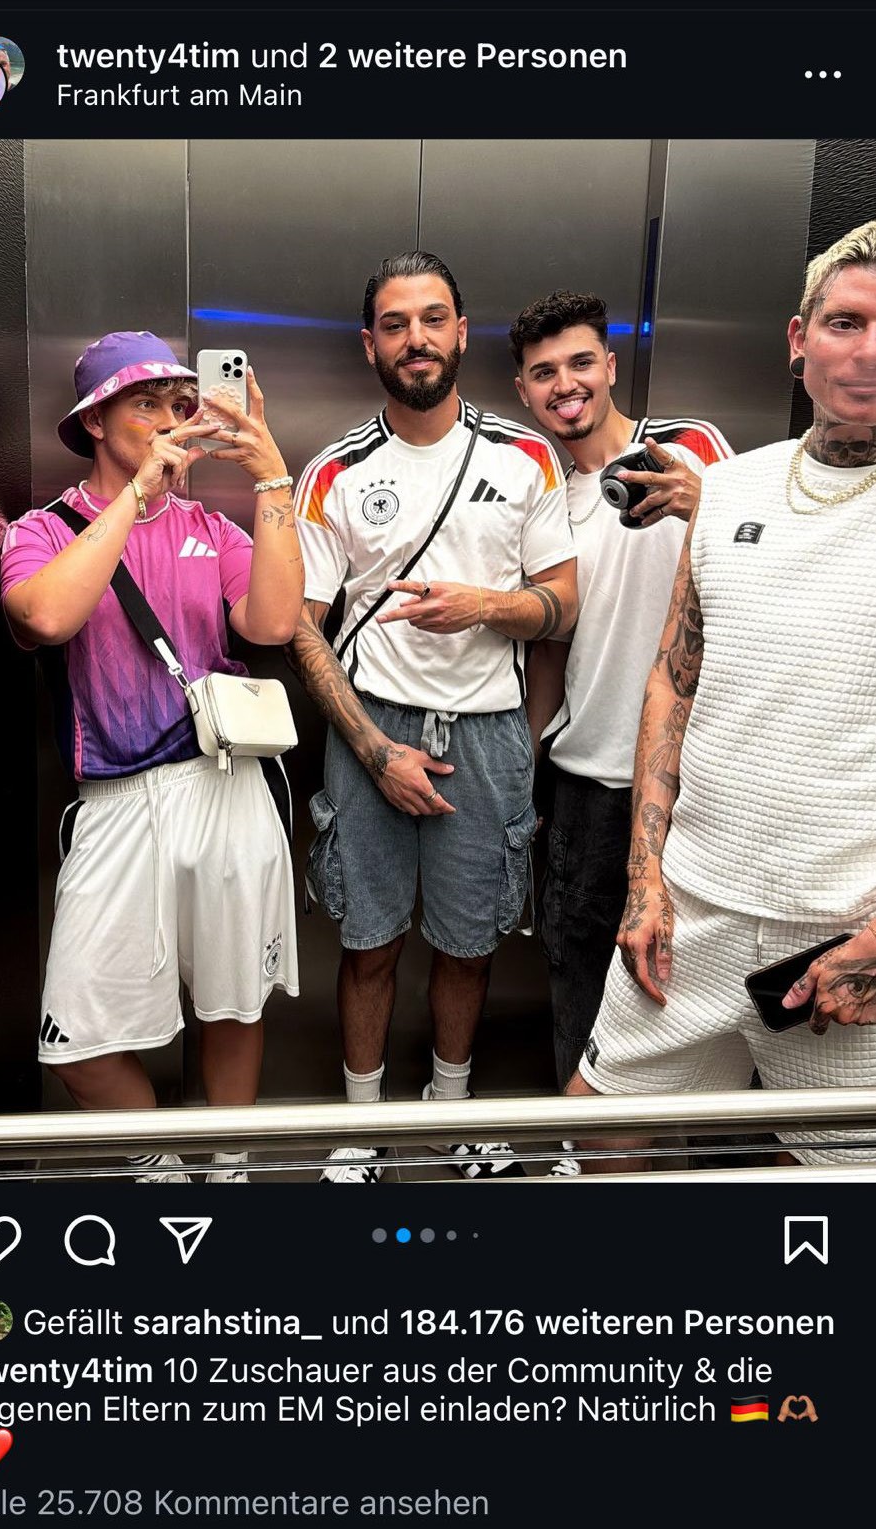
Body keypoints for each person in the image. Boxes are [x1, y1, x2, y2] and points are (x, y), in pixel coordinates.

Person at [567, 221, 876, 1168]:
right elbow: (674, 678)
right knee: (594, 1134)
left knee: (838, 1182)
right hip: (688, 913)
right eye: (845, 323)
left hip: (846, 944)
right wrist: (644, 881)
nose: (867, 352)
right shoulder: (729, 490)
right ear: (797, 339)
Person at [290, 251, 577, 1183]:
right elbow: (302, 631)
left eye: (432, 319)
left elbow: (561, 605)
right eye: (394, 324)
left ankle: (451, 1112)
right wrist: (374, 751)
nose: (415, 338)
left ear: (460, 331)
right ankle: (361, 1128)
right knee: (368, 941)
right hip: (367, 726)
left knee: (469, 943)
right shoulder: (333, 470)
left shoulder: (524, 456)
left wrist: (485, 606)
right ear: (368, 344)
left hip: (489, 733)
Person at [1, 331, 304, 1182]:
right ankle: (160, 1171)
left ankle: (230, 1175)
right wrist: (135, 496)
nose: (171, 419)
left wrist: (272, 477)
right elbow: (45, 617)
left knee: (232, 1005)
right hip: (115, 802)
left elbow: (274, 623)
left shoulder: (211, 527)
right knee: (77, 1045)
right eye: (146, 404)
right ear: (95, 422)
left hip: (224, 786)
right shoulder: (40, 530)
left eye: (179, 402)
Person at [512, 292, 732, 1120]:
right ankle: (582, 1150)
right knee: (578, 970)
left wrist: (705, 504)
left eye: (579, 363)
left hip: (699, 779)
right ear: (524, 393)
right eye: (542, 373)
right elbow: (551, 646)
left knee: (694, 981)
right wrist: (525, 766)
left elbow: (761, 558)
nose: (564, 385)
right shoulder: (544, 498)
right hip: (587, 784)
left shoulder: (691, 449)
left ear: (609, 367)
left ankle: (687, 1155)